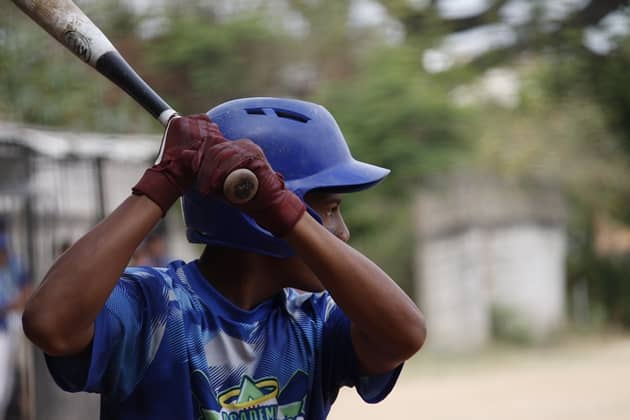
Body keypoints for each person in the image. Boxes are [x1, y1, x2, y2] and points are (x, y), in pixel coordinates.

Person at [21, 97, 426, 419]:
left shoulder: (316, 321)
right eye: (330, 209)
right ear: (257, 218)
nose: (343, 232)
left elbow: (404, 334)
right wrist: (164, 182)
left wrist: (285, 212)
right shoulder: (155, 307)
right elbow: (49, 324)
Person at [0, 233, 30, 420]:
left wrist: (9, 305)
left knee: (10, 376)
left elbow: (27, 294)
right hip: (3, 328)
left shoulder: (15, 266)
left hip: (12, 323)